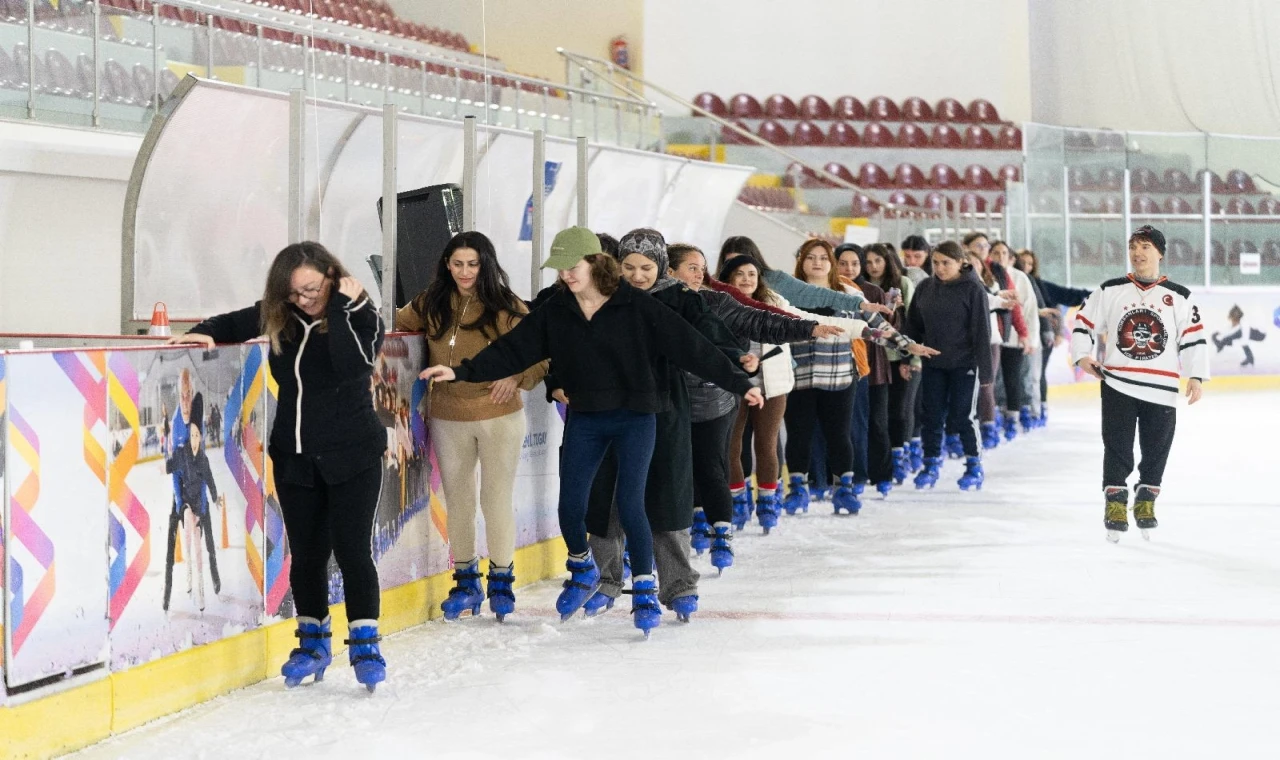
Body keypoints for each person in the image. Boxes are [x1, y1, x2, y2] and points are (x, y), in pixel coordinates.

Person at [420, 228, 764, 637]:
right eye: (560, 269)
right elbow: (514, 349)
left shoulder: (637, 307)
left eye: (572, 266)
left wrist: (741, 383)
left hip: (636, 418)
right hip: (587, 419)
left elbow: (692, 347)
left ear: (596, 264)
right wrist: (460, 371)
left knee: (632, 503)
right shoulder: (558, 310)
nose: (565, 275)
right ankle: (583, 565)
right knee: (572, 507)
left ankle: (645, 590)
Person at [172, 241, 389, 691]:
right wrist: (202, 332)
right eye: (293, 294)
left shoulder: (363, 316)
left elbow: (352, 367)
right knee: (306, 556)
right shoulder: (281, 314)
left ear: (333, 275)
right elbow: (230, 322)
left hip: (353, 455)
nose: (304, 300)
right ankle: (312, 642)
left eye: (311, 289)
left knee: (351, 550)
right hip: (295, 457)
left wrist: (347, 308)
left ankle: (365, 642)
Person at [580, 228, 751, 622]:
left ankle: (678, 585)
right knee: (605, 493)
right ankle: (604, 580)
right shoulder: (601, 298)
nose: (638, 276)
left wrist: (736, 359)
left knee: (669, 493)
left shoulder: (679, 299)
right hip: (609, 408)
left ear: (660, 267)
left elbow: (708, 335)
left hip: (665, 409)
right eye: (629, 267)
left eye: (647, 267)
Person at [395, 231, 548, 622]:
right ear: (447, 264)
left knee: (495, 499)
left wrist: (517, 377)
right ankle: (466, 581)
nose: (465, 272)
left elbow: (541, 353)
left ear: (486, 265)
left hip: (498, 416)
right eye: (458, 263)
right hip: (448, 416)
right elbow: (394, 324)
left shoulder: (504, 306)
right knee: (458, 501)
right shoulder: (431, 302)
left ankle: (501, 579)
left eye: (473, 264)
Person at [668, 242, 839, 566]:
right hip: (676, 399)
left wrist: (810, 328)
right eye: (692, 267)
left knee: (720, 459)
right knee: (687, 464)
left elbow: (765, 321)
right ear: (670, 271)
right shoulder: (657, 305)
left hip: (725, 394)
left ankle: (726, 525)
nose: (699, 274)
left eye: (702, 268)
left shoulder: (716, 301)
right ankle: (698, 517)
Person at [1069, 225, 1208, 543]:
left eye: (1145, 246)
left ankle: (1146, 500)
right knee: (1116, 446)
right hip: (1118, 382)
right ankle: (1115, 505)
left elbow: (1194, 339)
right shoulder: (1110, 289)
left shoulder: (1180, 296)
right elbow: (1084, 322)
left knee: (1157, 448)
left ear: (1159, 253)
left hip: (1161, 387)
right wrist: (1081, 356)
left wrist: (1196, 376)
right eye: (1133, 246)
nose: (1137, 252)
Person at [904, 241, 992, 490]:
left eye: (946, 263)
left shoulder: (973, 289)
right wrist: (906, 358)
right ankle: (931, 464)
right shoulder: (925, 288)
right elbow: (913, 326)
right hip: (933, 363)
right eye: (936, 263)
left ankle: (974, 465)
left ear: (961, 263)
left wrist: (985, 371)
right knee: (931, 415)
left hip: (965, 364)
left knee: (964, 416)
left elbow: (981, 331)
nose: (940, 268)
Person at [862, 243, 919, 485]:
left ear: (887, 261)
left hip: (899, 357)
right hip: (874, 359)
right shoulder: (862, 289)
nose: (873, 266)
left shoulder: (903, 284)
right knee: (879, 415)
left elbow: (914, 321)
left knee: (899, 410)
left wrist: (911, 357)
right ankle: (884, 458)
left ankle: (899, 454)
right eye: (868, 262)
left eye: (878, 260)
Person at [165, 391, 222, 612]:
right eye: (192, 436)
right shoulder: (183, 454)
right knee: (188, 529)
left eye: (198, 436)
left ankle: (200, 586)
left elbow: (211, 481)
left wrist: (215, 500)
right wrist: (164, 468)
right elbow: (172, 466)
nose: (195, 439)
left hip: (200, 503)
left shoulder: (203, 460)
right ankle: (189, 575)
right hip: (188, 503)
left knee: (201, 545)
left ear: (201, 437)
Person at [990, 240, 1041, 431]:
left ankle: (1014, 416)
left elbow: (1028, 310)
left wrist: (1029, 337)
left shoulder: (1019, 278)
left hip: (1013, 338)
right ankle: (994, 415)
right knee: (993, 379)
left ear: (1010, 258)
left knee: (1013, 378)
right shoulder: (986, 275)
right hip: (993, 337)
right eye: (996, 252)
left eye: (1004, 253)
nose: (1000, 257)